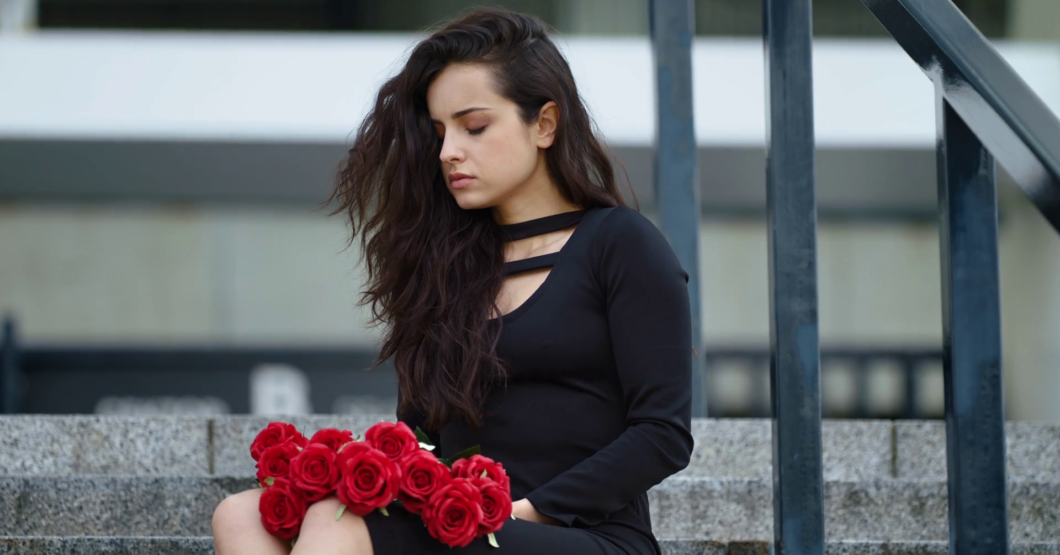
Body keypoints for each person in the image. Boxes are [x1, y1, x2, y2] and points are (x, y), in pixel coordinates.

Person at [211, 6, 693, 555]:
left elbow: (663, 435)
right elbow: (423, 440)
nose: (448, 153)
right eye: (439, 132)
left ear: (544, 124)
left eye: (475, 127)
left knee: (335, 525)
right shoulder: (444, 268)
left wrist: (522, 514)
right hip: (457, 527)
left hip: (584, 535)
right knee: (243, 515)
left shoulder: (620, 243)